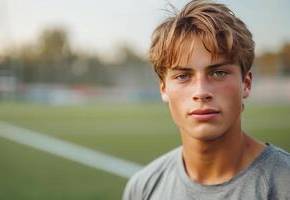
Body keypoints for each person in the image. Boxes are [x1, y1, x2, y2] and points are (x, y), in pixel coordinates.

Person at [122, 0, 290, 199]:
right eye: (183, 76)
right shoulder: (142, 188)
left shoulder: (283, 184)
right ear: (164, 88)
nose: (201, 92)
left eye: (218, 73)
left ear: (246, 83)